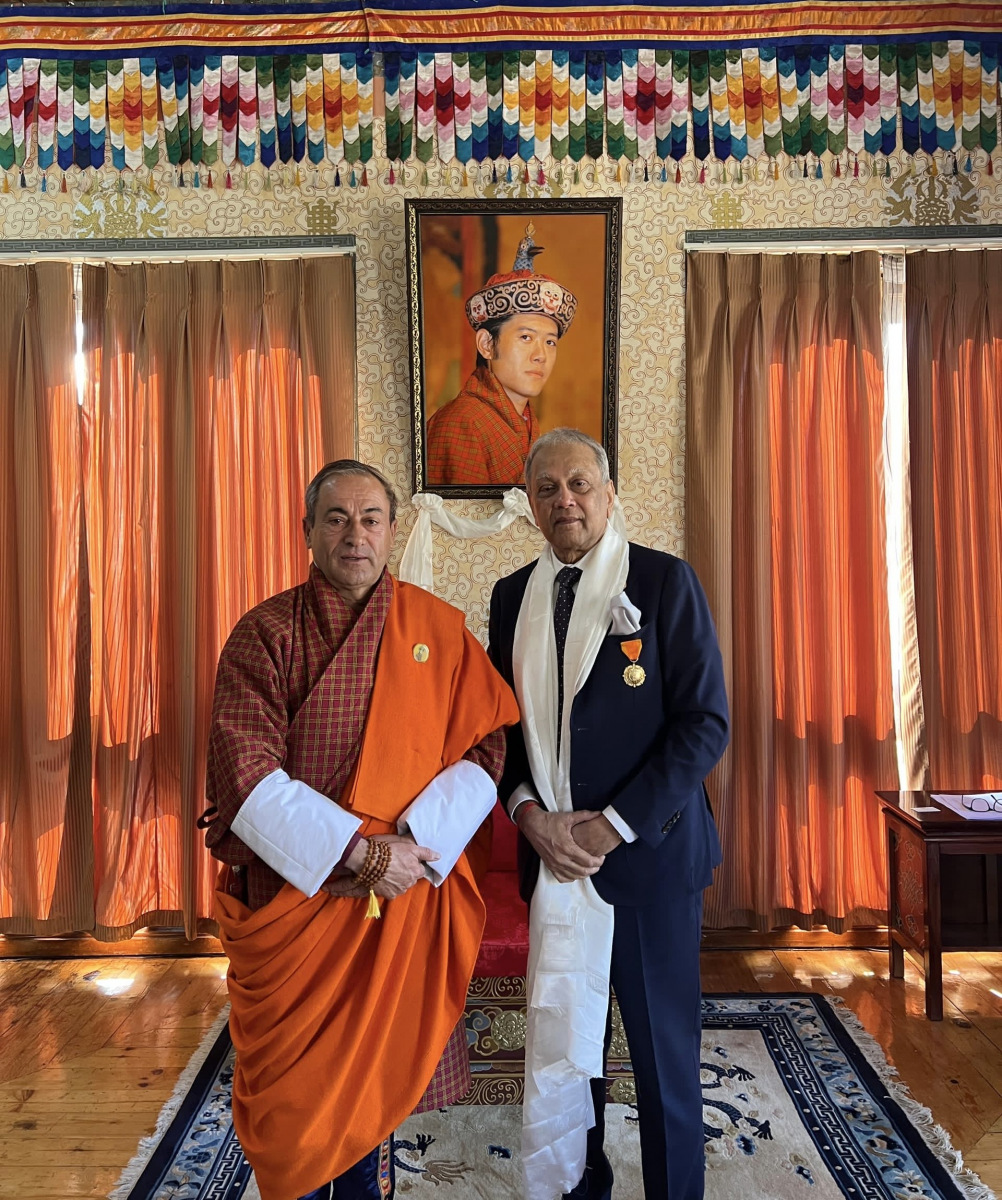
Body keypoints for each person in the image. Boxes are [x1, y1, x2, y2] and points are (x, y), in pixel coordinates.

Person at [200, 459, 519, 1200]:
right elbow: (244, 774)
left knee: (374, 1082)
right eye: (336, 519)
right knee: (294, 1101)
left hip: (401, 893)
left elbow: (488, 744)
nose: (355, 535)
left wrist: (413, 845)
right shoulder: (264, 634)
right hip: (298, 896)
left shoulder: (435, 631)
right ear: (308, 531)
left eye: (371, 518)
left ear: (393, 530)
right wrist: (360, 854)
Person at [487, 429, 729, 1200]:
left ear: (609, 493)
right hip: (554, 861)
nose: (565, 500)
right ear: (530, 505)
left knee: (662, 1061)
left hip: (649, 859)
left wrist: (613, 823)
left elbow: (704, 724)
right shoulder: (509, 597)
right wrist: (530, 815)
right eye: (547, 488)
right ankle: (579, 1183)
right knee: (568, 1046)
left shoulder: (662, 582)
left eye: (580, 484)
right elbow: (500, 734)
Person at [426, 224, 577, 487]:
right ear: (486, 344)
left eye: (550, 342)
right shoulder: (461, 423)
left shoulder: (526, 422)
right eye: (526, 337)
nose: (540, 355)